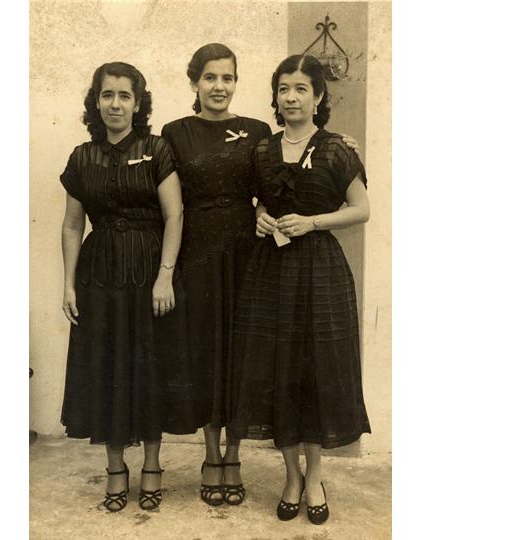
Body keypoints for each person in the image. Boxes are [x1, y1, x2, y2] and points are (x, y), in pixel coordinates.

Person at [161, 44, 360, 507]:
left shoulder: (255, 132)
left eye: (227, 78)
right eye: (210, 77)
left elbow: (277, 182)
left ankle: (234, 456)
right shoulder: (175, 132)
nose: (219, 86)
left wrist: (343, 146)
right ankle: (212, 456)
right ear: (194, 82)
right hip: (199, 253)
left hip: (250, 256)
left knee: (244, 356)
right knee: (207, 353)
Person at [229, 54, 372, 526]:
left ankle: (315, 479)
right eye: (283, 88)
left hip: (320, 275)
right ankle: (291, 476)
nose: (291, 97)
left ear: (318, 96)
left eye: (301, 89)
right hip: (270, 274)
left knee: (315, 374)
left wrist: (312, 222)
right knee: (278, 373)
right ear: (275, 96)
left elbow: (361, 209)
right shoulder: (262, 151)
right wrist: (259, 217)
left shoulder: (335, 149)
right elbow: (255, 203)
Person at [58, 62, 197, 513]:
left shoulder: (156, 149)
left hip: (148, 276)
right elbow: (72, 225)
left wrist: (164, 276)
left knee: (150, 370)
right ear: (95, 102)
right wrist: (68, 285)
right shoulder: (82, 157)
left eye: (124, 96)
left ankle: (153, 467)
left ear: (138, 104)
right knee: (106, 370)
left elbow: (174, 215)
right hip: (99, 278)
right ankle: (115, 469)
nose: (115, 104)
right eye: (107, 95)